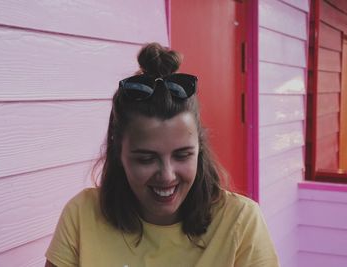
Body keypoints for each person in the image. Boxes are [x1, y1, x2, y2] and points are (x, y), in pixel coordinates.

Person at [45, 43, 280, 267]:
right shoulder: (82, 216)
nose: (167, 176)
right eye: (146, 159)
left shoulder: (240, 221)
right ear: (119, 153)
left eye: (182, 155)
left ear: (199, 149)